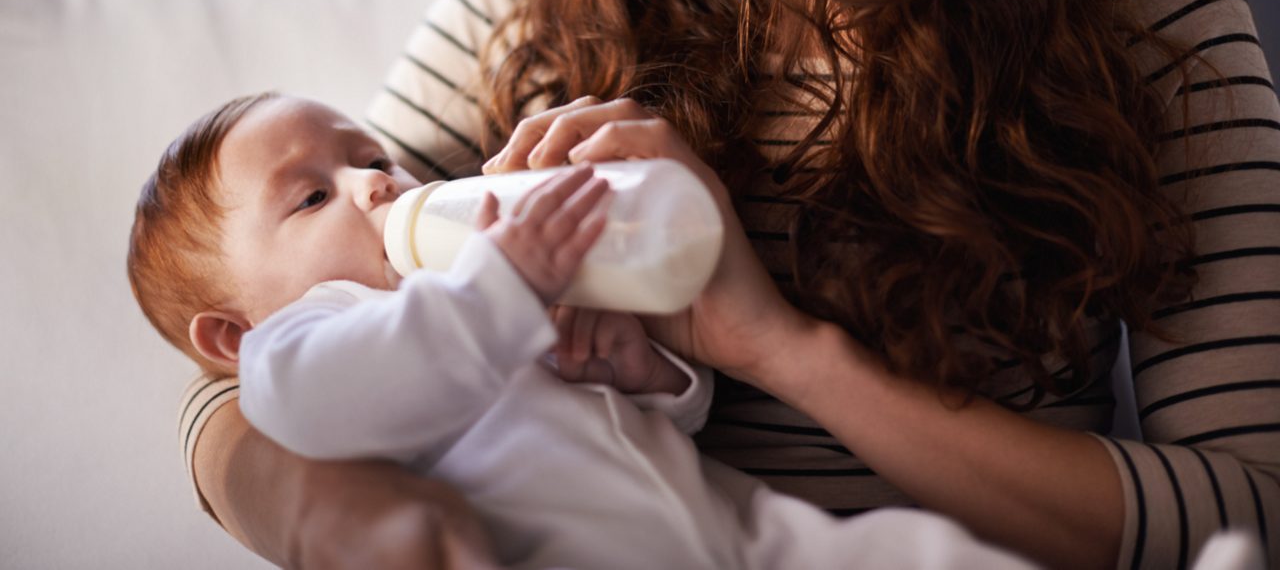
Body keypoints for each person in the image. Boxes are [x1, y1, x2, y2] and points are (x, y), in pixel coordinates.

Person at [177, 0, 1280, 568]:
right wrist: (343, 513)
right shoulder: (533, 1)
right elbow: (244, 336)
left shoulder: (1143, 12)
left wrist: (777, 348)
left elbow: (1246, 503)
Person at [130, 92, 1033, 570]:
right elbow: (335, 397)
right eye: (313, 195)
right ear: (230, 335)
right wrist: (497, 291)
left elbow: (651, 436)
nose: (375, 183)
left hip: (737, 540)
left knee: (906, 552)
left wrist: (645, 376)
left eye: (370, 157)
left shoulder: (472, 282)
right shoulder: (302, 344)